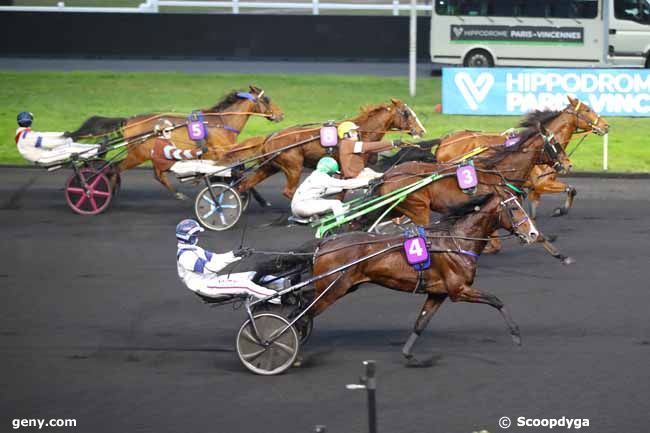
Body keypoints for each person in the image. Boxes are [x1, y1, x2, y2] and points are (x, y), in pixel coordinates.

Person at [175, 219, 281, 303]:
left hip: (213, 281)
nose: (197, 236)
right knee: (245, 285)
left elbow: (215, 258)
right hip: (206, 287)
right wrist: (233, 256)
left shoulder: (195, 249)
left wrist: (237, 254)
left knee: (252, 275)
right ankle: (280, 298)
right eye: (195, 234)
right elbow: (211, 267)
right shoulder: (186, 256)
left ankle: (286, 284)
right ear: (187, 237)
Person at [291, 156, 369, 222]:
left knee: (343, 206)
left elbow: (326, 191)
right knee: (336, 203)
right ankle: (341, 225)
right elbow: (344, 184)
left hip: (298, 205)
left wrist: (343, 189)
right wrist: (367, 181)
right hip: (302, 207)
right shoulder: (323, 178)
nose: (333, 175)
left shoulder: (315, 175)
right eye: (332, 173)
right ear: (328, 171)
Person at [15, 112, 101, 164]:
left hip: (42, 154)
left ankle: (97, 147)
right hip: (42, 157)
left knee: (70, 145)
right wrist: (68, 139)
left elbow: (45, 135)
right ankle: (96, 151)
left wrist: (63, 134)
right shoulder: (28, 136)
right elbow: (49, 144)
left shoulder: (24, 134)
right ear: (31, 121)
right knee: (69, 148)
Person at [337, 121, 403, 180]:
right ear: (346, 135)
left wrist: (394, 145)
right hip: (355, 177)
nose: (356, 133)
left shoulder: (349, 144)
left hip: (360, 173)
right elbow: (369, 146)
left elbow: (373, 150)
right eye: (353, 132)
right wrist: (391, 142)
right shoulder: (347, 144)